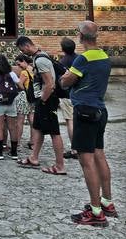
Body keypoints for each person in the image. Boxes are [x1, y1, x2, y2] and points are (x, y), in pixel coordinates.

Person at [60, 21, 117, 227]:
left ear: (81, 37)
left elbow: (66, 82)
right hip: (100, 110)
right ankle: (107, 202)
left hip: (84, 111)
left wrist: (64, 77)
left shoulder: (83, 59)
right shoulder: (104, 57)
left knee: (87, 161)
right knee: (99, 154)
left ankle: (95, 211)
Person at [15, 36, 66, 175]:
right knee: (37, 128)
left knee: (54, 132)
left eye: (22, 49)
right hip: (42, 100)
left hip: (47, 100)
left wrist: (43, 100)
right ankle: (34, 158)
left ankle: (60, 166)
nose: (23, 53)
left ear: (26, 46)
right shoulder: (40, 56)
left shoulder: (41, 60)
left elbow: (50, 84)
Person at [0, 55, 21, 159]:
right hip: (11, 103)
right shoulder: (12, 74)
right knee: (12, 127)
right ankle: (14, 152)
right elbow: (20, 86)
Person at [58, 37, 78, 160]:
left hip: (67, 95)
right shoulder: (79, 59)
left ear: (63, 49)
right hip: (78, 94)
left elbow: (60, 80)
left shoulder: (63, 61)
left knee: (70, 121)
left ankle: (74, 149)